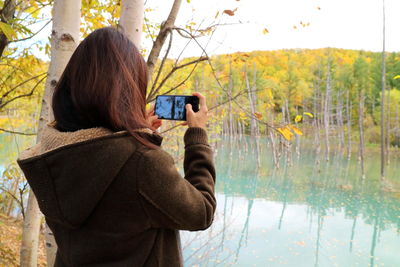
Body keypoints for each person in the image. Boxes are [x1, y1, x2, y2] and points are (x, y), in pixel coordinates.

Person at [17, 27, 216, 267]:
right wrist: (197, 137)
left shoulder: (53, 155)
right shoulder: (142, 163)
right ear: (128, 91)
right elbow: (201, 212)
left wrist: (136, 132)